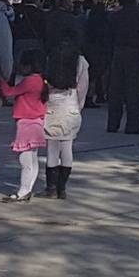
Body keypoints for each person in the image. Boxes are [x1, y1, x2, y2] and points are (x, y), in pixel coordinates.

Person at [41, 41, 88, 200]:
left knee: (52, 149)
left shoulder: (51, 58)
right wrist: (79, 106)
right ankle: (62, 188)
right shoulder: (80, 61)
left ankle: (51, 188)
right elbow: (83, 87)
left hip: (52, 105)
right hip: (71, 104)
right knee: (67, 147)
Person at [0, 49, 47, 202]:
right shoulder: (41, 79)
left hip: (26, 122)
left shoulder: (29, 81)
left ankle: (23, 190)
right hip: (38, 122)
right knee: (33, 157)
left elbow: (9, 92)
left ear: (29, 65)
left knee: (24, 159)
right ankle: (28, 188)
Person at [106, 0, 139, 135]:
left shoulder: (114, 16)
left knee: (116, 90)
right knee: (135, 91)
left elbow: (108, 37)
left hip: (118, 52)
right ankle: (133, 125)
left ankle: (113, 124)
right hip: (136, 54)